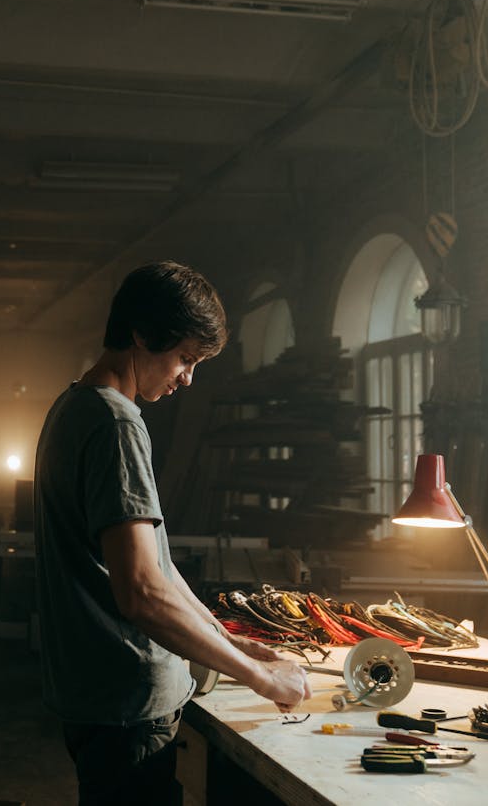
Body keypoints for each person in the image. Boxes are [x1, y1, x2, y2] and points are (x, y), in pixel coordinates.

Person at [33, 260, 312, 806]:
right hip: (128, 704)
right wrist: (263, 679)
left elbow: (156, 569)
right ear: (141, 335)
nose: (188, 377)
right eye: (185, 357)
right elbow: (140, 592)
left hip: (94, 698)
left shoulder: (71, 408)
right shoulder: (116, 424)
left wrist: (227, 639)